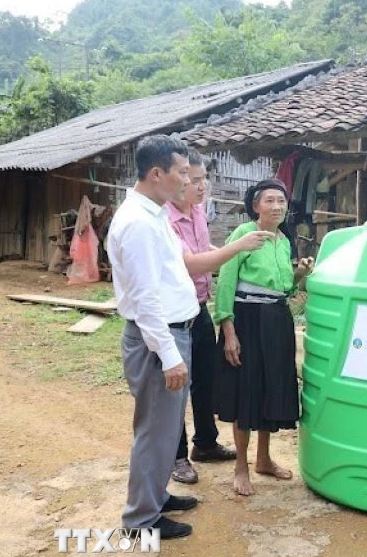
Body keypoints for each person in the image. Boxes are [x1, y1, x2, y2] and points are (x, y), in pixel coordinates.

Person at [107, 135, 199, 539]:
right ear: (157, 173)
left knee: (166, 427)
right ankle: (140, 519)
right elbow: (145, 299)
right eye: (181, 172)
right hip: (158, 342)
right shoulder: (138, 223)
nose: (186, 179)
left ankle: (155, 495)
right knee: (155, 430)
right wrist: (169, 355)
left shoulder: (155, 213)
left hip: (173, 334)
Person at [165, 149, 271, 484]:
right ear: (177, 180)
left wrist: (236, 260)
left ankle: (206, 443)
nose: (201, 185)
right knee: (177, 387)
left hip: (197, 308)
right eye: (193, 179)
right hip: (171, 313)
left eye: (203, 178)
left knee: (206, 380)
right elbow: (191, 263)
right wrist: (237, 248)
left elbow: (206, 251)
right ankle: (177, 456)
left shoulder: (196, 212)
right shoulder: (166, 220)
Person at [213, 179, 314, 496]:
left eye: (281, 201)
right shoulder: (243, 235)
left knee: (272, 387)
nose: (277, 206)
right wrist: (228, 329)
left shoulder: (284, 241)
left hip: (276, 319)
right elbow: (226, 281)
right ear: (255, 206)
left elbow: (286, 290)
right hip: (247, 319)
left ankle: (264, 459)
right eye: (269, 200)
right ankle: (240, 466)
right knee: (246, 390)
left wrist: (300, 274)